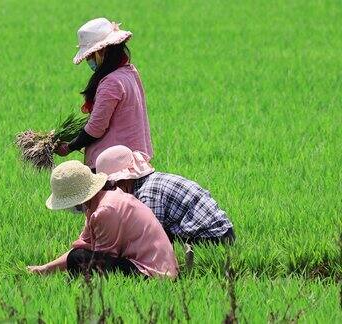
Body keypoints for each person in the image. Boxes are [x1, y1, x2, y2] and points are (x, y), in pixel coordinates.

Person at [26, 160, 178, 278]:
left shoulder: (105, 210)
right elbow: (85, 246)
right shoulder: (98, 201)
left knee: (78, 258)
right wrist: (44, 269)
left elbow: (103, 255)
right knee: (77, 256)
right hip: (145, 265)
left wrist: (81, 247)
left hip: (152, 272)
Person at [55, 18, 153, 171]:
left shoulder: (111, 82)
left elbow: (95, 128)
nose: (88, 60)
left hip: (113, 165)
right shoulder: (129, 72)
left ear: (101, 51)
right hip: (133, 160)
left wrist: (68, 147)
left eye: (90, 56)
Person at [96, 145, 235, 245]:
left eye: (111, 186)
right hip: (220, 231)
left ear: (124, 181)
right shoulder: (149, 182)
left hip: (212, 237)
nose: (111, 191)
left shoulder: (147, 194)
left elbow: (151, 235)